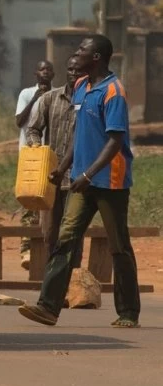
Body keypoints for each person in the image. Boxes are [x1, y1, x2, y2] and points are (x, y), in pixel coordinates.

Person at [19, 34, 140, 329]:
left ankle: (128, 312)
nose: (76, 53)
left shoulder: (113, 91)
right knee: (65, 239)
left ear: (96, 57)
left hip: (110, 183)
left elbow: (115, 141)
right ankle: (48, 307)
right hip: (80, 182)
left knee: (119, 247)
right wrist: (63, 168)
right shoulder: (83, 87)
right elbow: (79, 133)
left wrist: (89, 174)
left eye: (82, 50)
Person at [27, 55, 83, 263]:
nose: (74, 74)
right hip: (51, 179)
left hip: (77, 179)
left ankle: (73, 275)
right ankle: (52, 276)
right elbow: (33, 129)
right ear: (65, 71)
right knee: (51, 233)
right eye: (71, 69)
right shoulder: (50, 98)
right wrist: (37, 149)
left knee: (73, 233)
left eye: (79, 70)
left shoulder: (89, 101)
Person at [14, 60, 55, 268]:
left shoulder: (57, 95)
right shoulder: (26, 93)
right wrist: (36, 98)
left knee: (50, 202)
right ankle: (26, 249)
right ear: (35, 73)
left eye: (48, 69)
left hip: (51, 156)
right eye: (42, 69)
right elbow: (19, 121)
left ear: (53, 74)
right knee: (29, 200)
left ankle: (47, 250)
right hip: (29, 154)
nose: (45, 72)